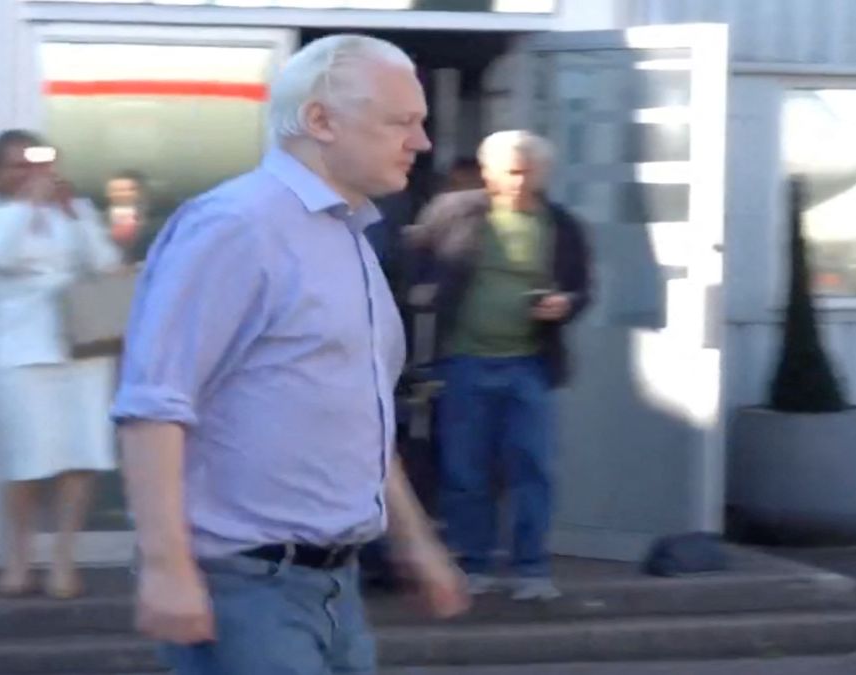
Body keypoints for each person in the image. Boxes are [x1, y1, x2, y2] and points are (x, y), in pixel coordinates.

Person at [110, 34, 469, 674]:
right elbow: (155, 404)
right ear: (319, 120)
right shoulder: (235, 227)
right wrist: (166, 568)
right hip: (246, 587)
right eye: (401, 122)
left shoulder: (350, 234)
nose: (423, 143)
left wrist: (415, 542)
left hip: (335, 586)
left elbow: (357, 413)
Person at [407, 130, 593, 601]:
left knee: (533, 467)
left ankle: (531, 569)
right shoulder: (453, 212)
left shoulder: (562, 225)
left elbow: (583, 288)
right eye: (511, 170)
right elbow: (411, 259)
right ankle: (474, 563)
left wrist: (565, 304)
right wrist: (423, 297)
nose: (520, 179)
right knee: (464, 469)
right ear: (488, 172)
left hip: (529, 362)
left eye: (529, 171)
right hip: (464, 362)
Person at [0, 129, 123, 599]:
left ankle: (63, 561)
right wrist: (28, 206)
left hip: (81, 348)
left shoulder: (75, 212)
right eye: (18, 165)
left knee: (81, 452)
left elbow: (105, 263)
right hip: (20, 351)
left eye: (38, 163)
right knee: (25, 459)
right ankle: (18, 559)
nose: (32, 173)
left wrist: (74, 215)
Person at [104, 170, 155, 264]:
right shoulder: (97, 226)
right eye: (117, 190)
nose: (123, 195)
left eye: (130, 190)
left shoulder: (163, 228)